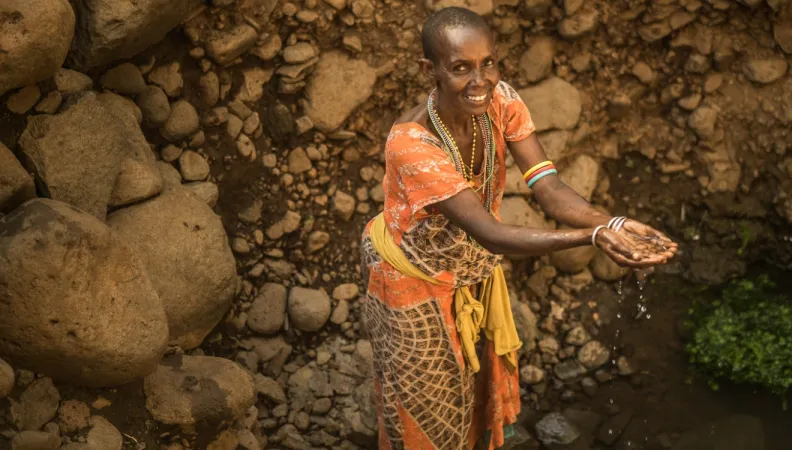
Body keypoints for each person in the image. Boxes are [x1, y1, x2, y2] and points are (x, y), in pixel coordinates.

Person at [359, 7, 677, 450]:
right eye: (461, 68)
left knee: (469, 393)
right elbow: (490, 233)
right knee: (426, 413)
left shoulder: (501, 100)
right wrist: (593, 237)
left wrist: (613, 222)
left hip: (468, 268)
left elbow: (548, 187)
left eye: (488, 63)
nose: (480, 81)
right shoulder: (411, 144)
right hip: (411, 281)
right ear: (429, 70)